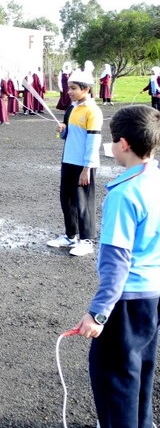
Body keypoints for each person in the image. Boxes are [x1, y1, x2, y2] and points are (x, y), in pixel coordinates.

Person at [72, 104, 160, 428]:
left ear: (123, 144)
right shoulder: (156, 180)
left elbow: (116, 264)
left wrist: (98, 313)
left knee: (114, 379)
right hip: (153, 297)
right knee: (140, 371)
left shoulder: (124, 194)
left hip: (126, 302)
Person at [46, 65, 103, 256]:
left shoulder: (92, 111)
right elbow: (69, 136)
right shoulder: (72, 108)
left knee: (83, 201)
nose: (68, 92)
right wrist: (62, 131)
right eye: (69, 88)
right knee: (67, 199)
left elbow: (93, 141)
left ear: (85, 89)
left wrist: (87, 168)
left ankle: (86, 240)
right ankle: (71, 235)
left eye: (73, 88)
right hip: (68, 160)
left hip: (84, 164)